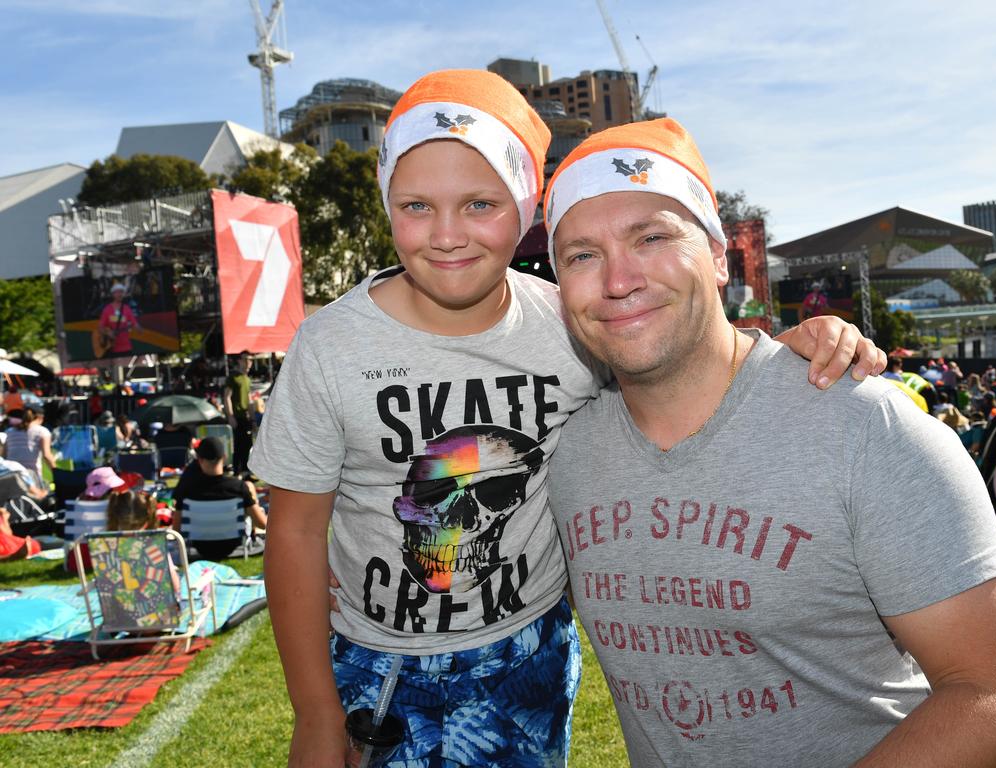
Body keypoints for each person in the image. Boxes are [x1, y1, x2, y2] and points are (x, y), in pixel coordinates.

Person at [252, 70, 885, 768]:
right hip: (377, 665)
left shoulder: (572, 320)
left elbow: (694, 365)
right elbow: (298, 528)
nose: (448, 234)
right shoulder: (331, 345)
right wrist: (314, 712)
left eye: (481, 204)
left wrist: (808, 339)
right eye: (416, 206)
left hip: (530, 650)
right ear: (386, 204)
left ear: (525, 209)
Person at [543, 117, 996, 766]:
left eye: (652, 237)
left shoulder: (864, 428)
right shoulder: (565, 452)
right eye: (581, 255)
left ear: (719, 257)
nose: (618, 278)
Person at [172, 436, 266, 559]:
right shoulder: (239, 487)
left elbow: (176, 529)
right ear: (224, 457)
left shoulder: (187, 490)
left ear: (200, 460)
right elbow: (262, 524)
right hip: (234, 543)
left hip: (200, 545)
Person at [1, 407, 56, 491]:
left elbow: (4, 455)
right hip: (32, 477)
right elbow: (47, 455)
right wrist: (57, 474)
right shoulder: (42, 431)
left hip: (10, 476)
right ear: (41, 418)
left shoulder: (9, 431)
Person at [224, 351, 255, 476]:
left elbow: (249, 400)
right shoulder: (233, 377)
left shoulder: (247, 379)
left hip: (246, 417)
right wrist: (230, 416)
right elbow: (226, 397)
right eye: (246, 359)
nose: (248, 362)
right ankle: (237, 472)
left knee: (248, 444)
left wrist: (253, 419)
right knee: (238, 446)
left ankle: (246, 472)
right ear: (239, 361)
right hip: (237, 417)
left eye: (251, 360)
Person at [96, 282, 142, 358]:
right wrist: (108, 332)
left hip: (126, 347)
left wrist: (139, 329)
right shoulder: (107, 310)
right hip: (112, 348)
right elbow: (100, 327)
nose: (119, 294)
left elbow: (134, 323)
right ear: (113, 294)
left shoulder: (127, 309)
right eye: (117, 292)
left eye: (121, 292)